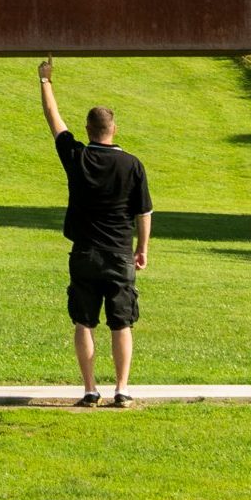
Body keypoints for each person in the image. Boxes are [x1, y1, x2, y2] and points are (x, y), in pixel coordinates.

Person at [37, 57, 153, 407]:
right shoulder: (132, 164)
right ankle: (122, 388)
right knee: (122, 323)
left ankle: (89, 389)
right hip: (120, 253)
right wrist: (143, 248)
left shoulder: (78, 157)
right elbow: (143, 211)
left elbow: (54, 121)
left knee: (84, 322)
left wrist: (45, 81)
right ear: (113, 129)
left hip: (85, 253)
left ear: (87, 130)